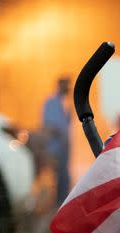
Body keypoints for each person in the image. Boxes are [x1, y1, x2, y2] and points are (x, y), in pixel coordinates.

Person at [42, 77, 72, 206]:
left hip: (64, 147)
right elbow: (49, 124)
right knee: (58, 176)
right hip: (55, 147)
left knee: (64, 176)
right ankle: (58, 204)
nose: (68, 88)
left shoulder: (65, 103)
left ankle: (63, 203)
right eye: (66, 85)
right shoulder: (51, 102)